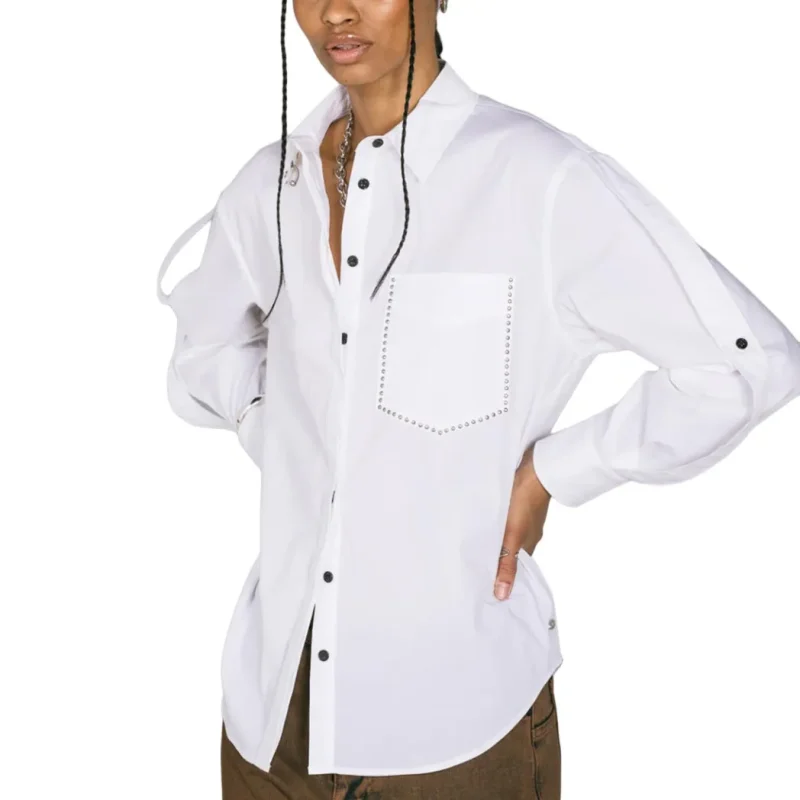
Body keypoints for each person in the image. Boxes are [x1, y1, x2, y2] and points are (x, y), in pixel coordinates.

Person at [155, 1, 800, 798]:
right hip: (273, 726)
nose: (336, 11)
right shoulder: (269, 185)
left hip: (457, 726)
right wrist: (276, 426)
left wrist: (556, 472)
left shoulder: (537, 179)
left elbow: (746, 364)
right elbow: (204, 355)